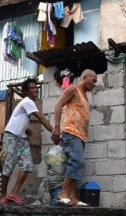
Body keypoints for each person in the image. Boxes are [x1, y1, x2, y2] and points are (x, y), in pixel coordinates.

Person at [0, 78, 55, 205]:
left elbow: (19, 119)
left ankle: (13, 193)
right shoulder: (27, 101)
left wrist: (26, 129)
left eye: (36, 87)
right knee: (8, 167)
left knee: (27, 166)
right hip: (12, 136)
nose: (35, 89)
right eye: (32, 88)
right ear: (25, 91)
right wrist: (54, 131)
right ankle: (2, 195)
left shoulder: (29, 103)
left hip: (21, 138)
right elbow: (41, 118)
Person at [51, 69, 97, 206]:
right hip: (71, 133)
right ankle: (63, 193)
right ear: (84, 77)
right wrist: (57, 128)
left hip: (81, 136)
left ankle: (72, 197)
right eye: (93, 80)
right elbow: (58, 105)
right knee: (76, 161)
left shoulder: (85, 95)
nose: (95, 84)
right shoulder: (72, 89)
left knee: (79, 165)